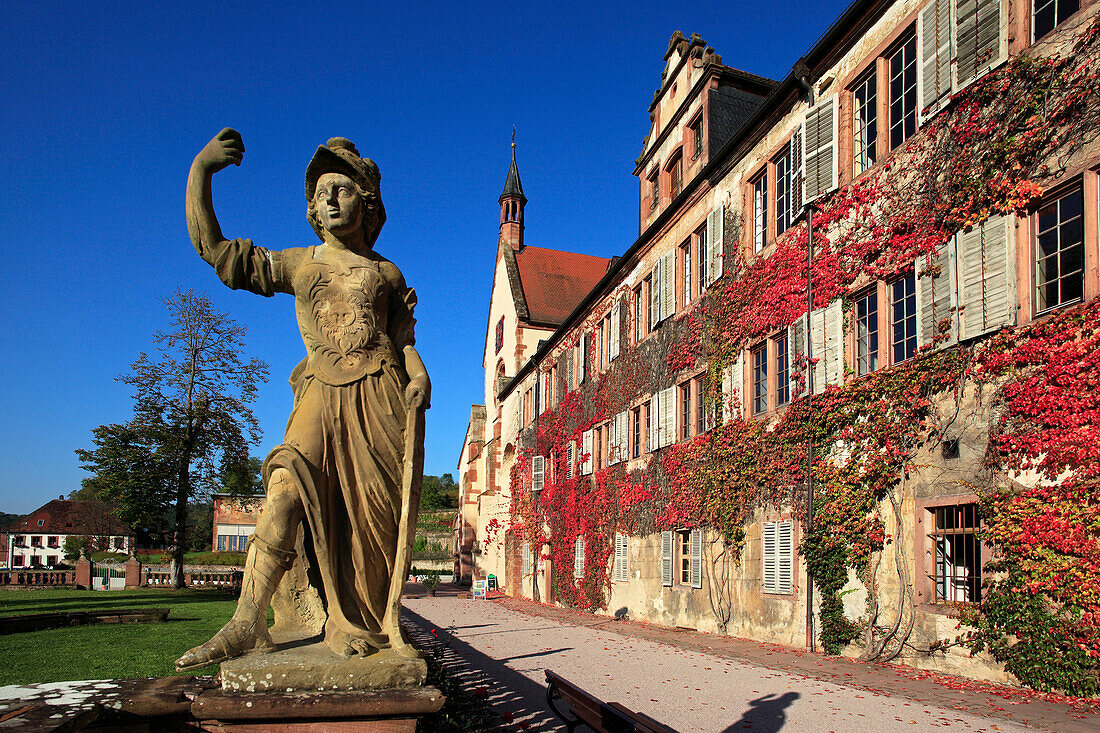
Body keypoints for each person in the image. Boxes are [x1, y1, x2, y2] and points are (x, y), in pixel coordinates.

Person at [175, 129, 430, 670]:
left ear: (367, 201)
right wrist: (200, 171)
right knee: (286, 484)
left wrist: (419, 371)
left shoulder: (386, 273)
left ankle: (348, 621)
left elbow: (404, 339)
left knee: (368, 524)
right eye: (322, 193)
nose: (331, 198)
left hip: (380, 397)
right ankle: (248, 621)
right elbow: (218, 254)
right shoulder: (302, 263)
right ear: (314, 210)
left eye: (342, 189)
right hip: (320, 389)